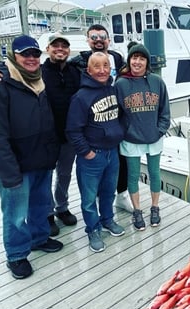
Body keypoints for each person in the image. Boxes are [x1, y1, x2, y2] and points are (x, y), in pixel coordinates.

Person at [0, 35, 63, 279]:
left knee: (40, 205)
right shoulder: (3, 83)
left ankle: (38, 238)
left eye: (35, 54)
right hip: (16, 164)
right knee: (15, 214)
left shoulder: (41, 80)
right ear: (14, 56)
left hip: (42, 159)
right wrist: (8, 170)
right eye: (25, 53)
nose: (31, 58)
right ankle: (16, 255)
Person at [66, 52, 125, 253]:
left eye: (105, 66)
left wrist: (120, 135)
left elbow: (121, 117)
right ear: (88, 70)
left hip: (112, 153)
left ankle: (108, 219)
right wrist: (87, 152)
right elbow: (73, 130)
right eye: (97, 66)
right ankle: (93, 228)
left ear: (111, 68)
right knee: (89, 198)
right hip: (92, 156)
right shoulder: (80, 97)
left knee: (109, 192)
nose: (102, 70)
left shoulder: (113, 90)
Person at [70, 24, 133, 213]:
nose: (98, 40)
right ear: (88, 40)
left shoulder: (117, 58)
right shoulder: (79, 62)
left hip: (115, 121)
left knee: (120, 164)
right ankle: (84, 212)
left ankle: (121, 196)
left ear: (108, 39)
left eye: (102, 36)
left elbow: (132, 72)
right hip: (92, 121)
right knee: (91, 179)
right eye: (94, 37)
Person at [115, 43, 170, 230]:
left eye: (141, 58)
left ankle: (155, 207)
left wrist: (160, 130)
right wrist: (125, 131)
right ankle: (137, 210)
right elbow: (117, 114)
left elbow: (165, 110)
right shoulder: (121, 83)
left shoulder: (157, 82)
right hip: (131, 139)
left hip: (154, 137)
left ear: (147, 62)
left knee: (155, 173)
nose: (137, 62)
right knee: (133, 175)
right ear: (129, 60)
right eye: (134, 58)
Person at [41, 32, 81, 236]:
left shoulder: (75, 71)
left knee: (64, 174)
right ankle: (46, 213)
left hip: (69, 136)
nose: (60, 49)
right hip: (47, 137)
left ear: (68, 50)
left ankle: (61, 207)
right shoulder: (39, 72)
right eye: (55, 45)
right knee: (46, 176)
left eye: (64, 46)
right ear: (47, 49)